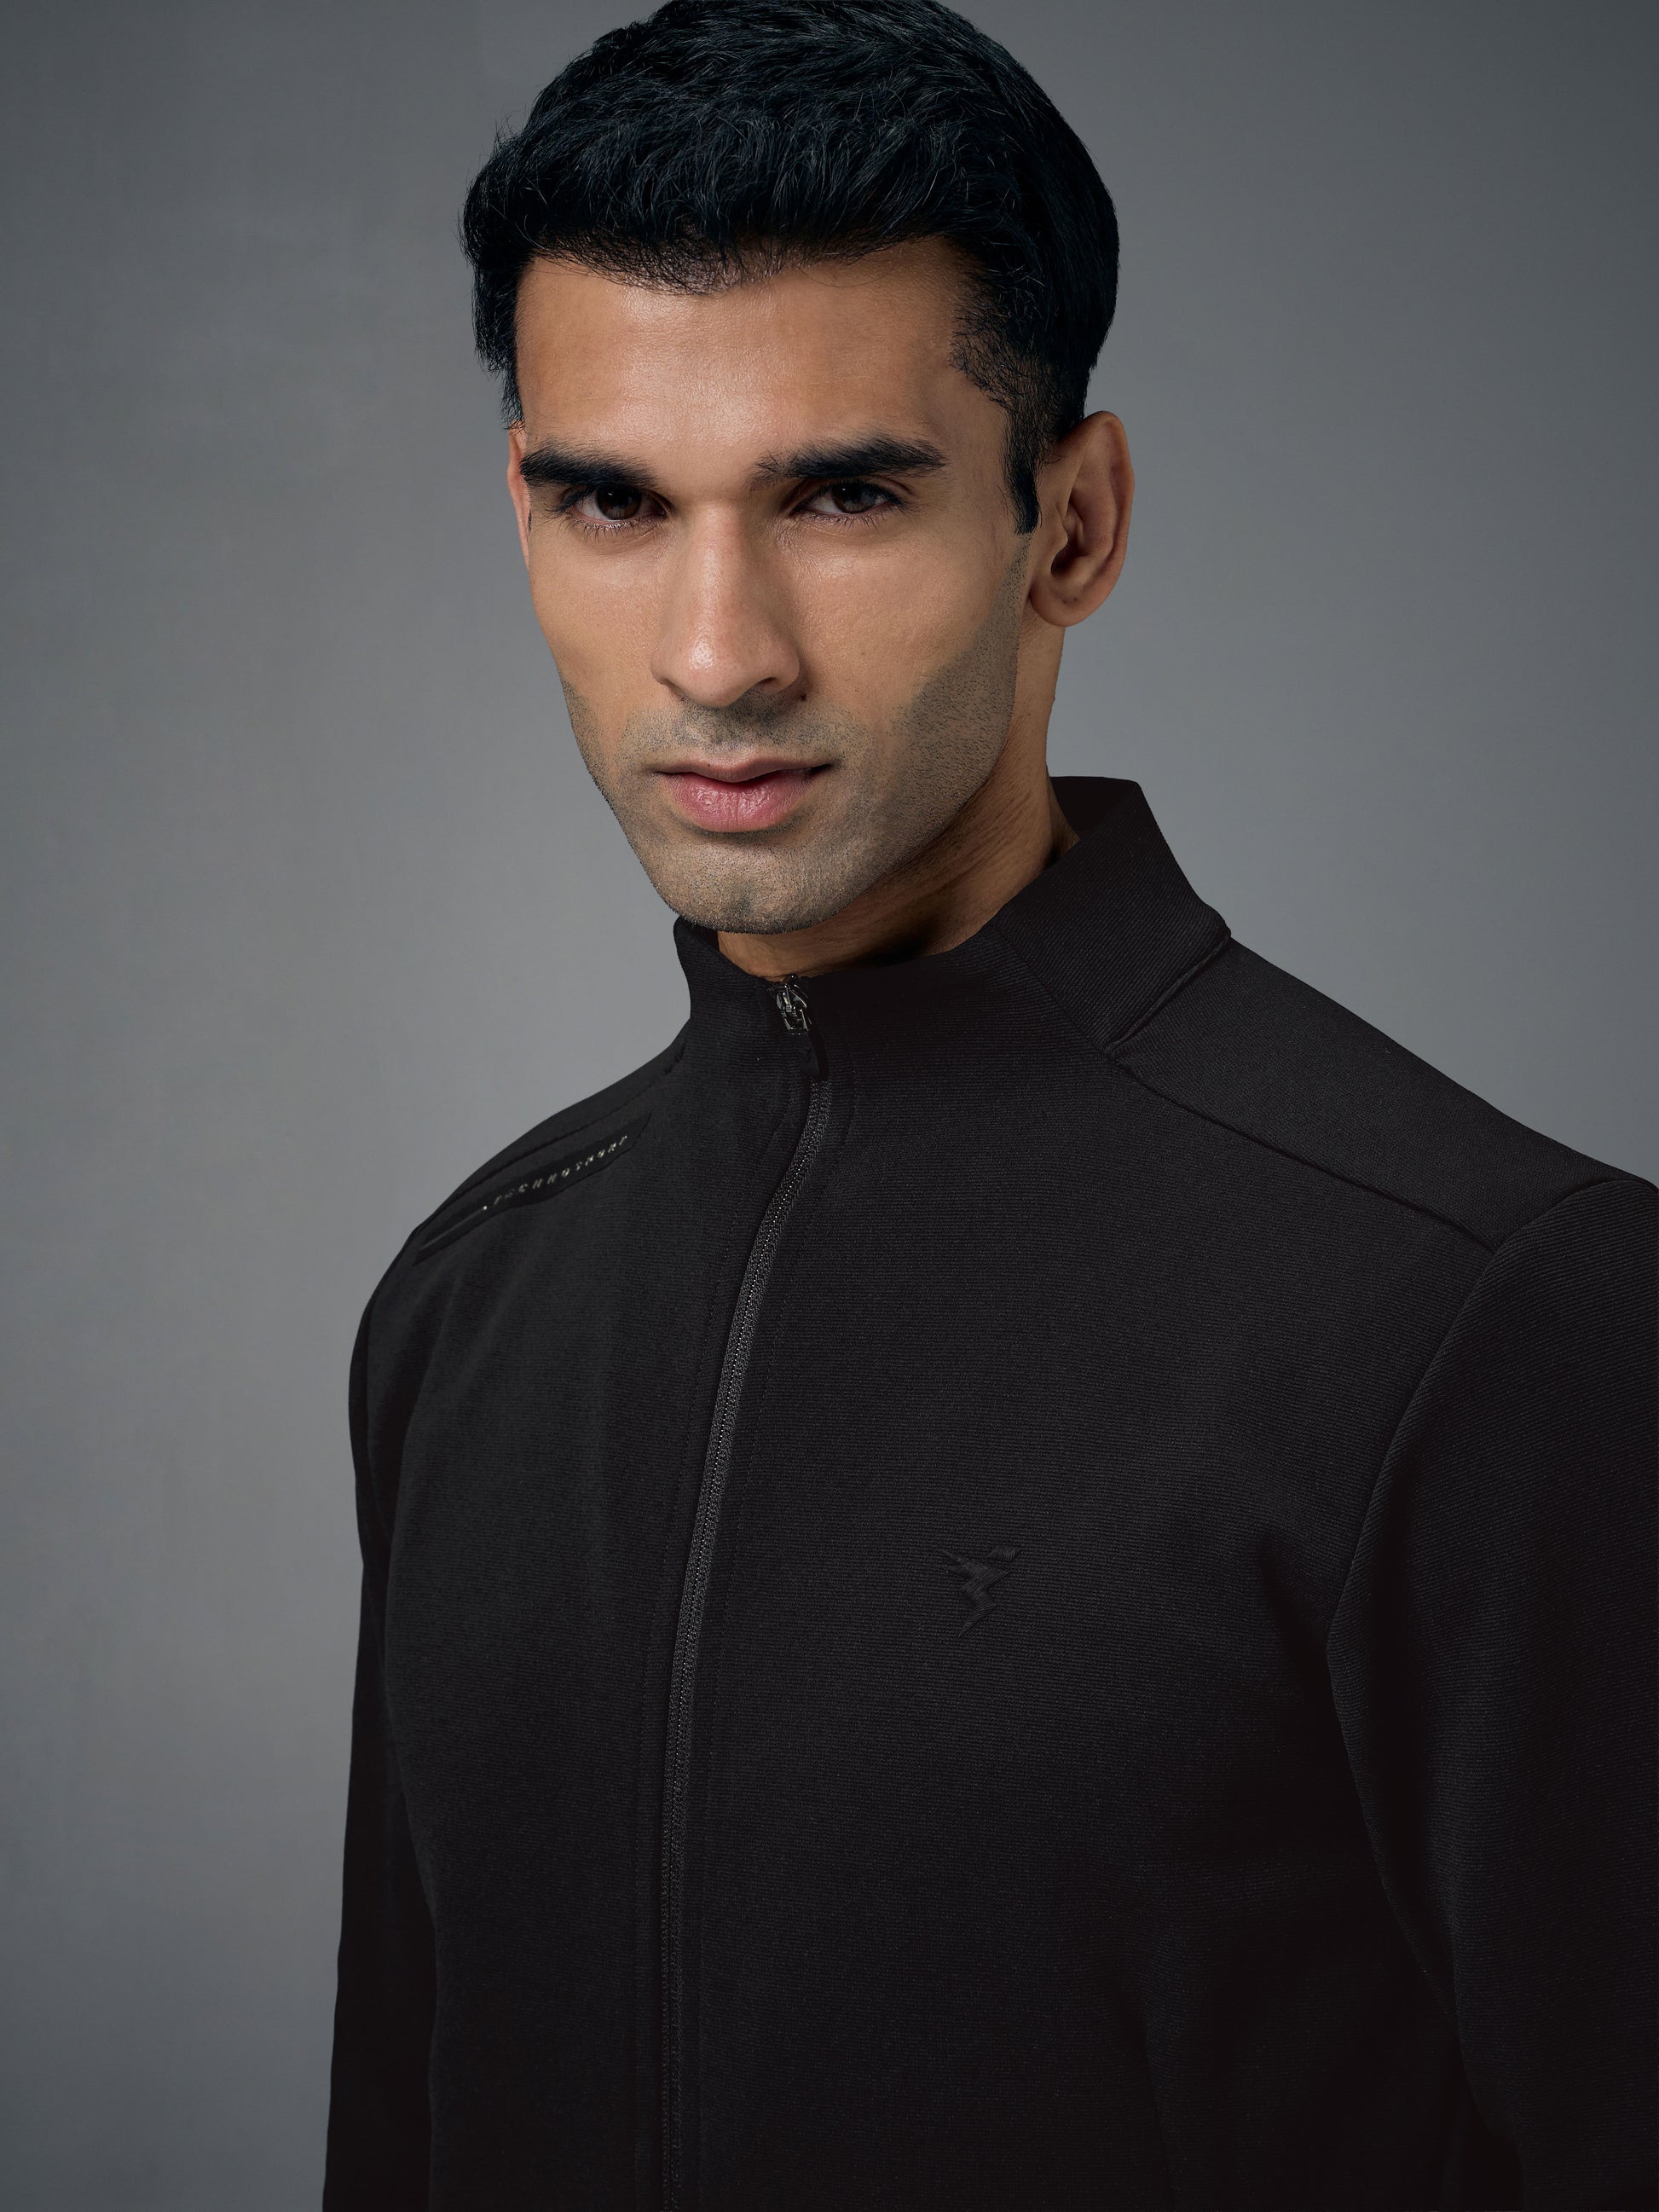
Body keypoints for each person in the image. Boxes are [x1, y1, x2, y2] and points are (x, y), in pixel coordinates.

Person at [321, 3, 1656, 2205]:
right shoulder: (464, 1313)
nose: (717, 651)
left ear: (1072, 523)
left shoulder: (1500, 1317)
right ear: (524, 509)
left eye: (843, 495)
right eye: (614, 503)